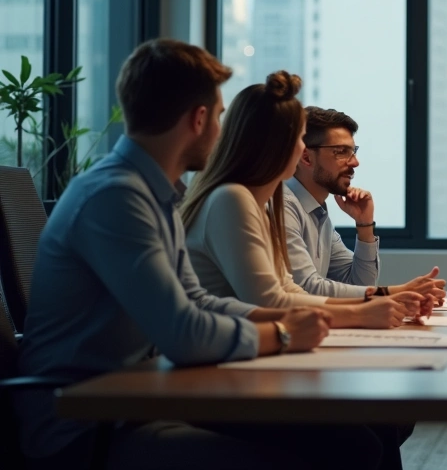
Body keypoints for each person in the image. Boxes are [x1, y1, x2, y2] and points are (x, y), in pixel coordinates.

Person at [15, 39, 381, 469]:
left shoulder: (155, 193)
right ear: (199, 118)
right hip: (86, 428)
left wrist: (293, 319)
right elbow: (183, 333)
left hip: (141, 400)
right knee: (342, 449)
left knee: (351, 441)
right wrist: (283, 334)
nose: (224, 131)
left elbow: (199, 301)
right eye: (221, 116)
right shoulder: (116, 197)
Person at [182, 72, 429, 330]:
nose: (302, 150)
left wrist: (379, 300)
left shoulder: (262, 203)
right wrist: (368, 308)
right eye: (299, 139)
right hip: (220, 355)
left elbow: (288, 289)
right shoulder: (232, 199)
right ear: (276, 144)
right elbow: (270, 301)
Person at [284, 106, 446, 304]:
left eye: (353, 151)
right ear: (307, 157)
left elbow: (359, 283)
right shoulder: (284, 207)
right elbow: (306, 288)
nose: (355, 162)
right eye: (341, 152)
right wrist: (398, 292)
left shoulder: (318, 214)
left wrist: (365, 226)